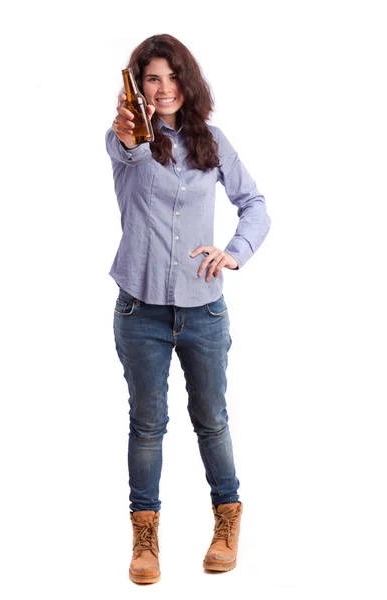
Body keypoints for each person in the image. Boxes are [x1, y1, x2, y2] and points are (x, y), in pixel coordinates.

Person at [105, 33, 271, 584]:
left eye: (172, 77)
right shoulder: (125, 141)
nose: (164, 88)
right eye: (151, 78)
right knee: (147, 425)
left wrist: (234, 253)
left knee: (212, 420)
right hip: (140, 313)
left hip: (204, 311)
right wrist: (129, 125)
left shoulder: (212, 142)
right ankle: (145, 539)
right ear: (137, 86)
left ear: (187, 81)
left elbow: (255, 206)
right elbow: (126, 144)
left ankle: (227, 520)